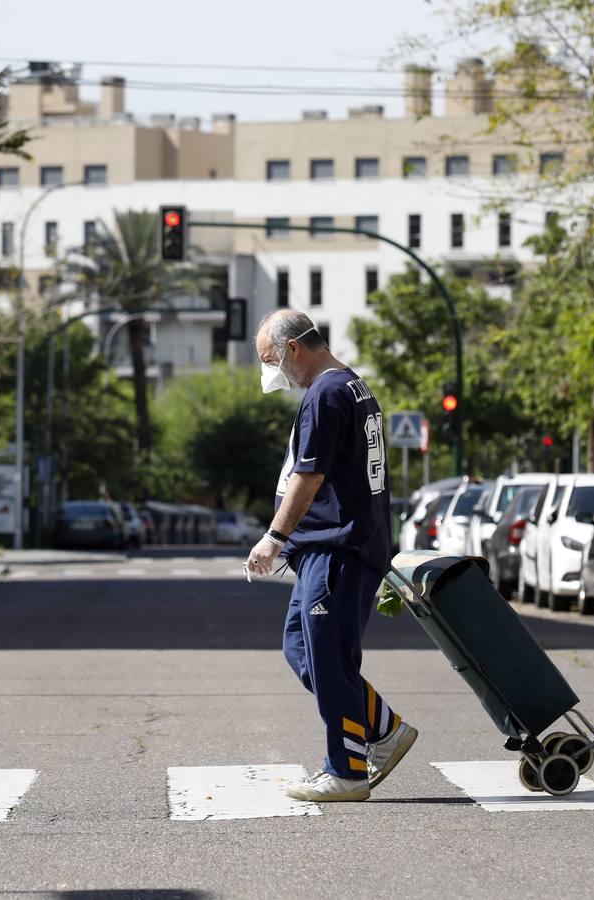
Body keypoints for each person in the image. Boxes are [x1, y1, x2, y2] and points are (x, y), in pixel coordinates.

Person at [245, 309, 418, 802]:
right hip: (334, 550)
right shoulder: (351, 386)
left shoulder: (325, 392)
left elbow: (309, 475)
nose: (274, 373)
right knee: (302, 648)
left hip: (338, 550)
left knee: (330, 660)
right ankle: (383, 730)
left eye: (271, 360)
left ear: (294, 348)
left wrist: (274, 537)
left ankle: (346, 770)